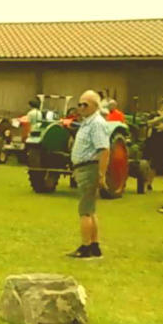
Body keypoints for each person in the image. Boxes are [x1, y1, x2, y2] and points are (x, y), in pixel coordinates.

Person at [67, 90, 111, 259]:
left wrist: (101, 174)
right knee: (91, 210)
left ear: (95, 106)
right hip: (84, 168)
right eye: (79, 104)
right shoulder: (87, 122)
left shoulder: (96, 123)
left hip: (89, 168)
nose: (81, 107)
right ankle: (94, 245)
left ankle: (85, 247)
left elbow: (104, 150)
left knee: (84, 210)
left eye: (85, 104)